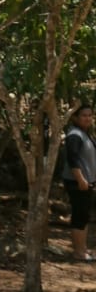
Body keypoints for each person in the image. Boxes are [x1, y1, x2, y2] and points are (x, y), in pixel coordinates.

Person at [61, 104, 96, 263]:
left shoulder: (85, 134)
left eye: (90, 115)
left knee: (84, 215)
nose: (88, 118)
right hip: (77, 182)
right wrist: (81, 179)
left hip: (87, 182)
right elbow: (72, 158)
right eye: (84, 115)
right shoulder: (74, 135)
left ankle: (83, 249)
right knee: (79, 216)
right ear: (75, 118)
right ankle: (78, 252)